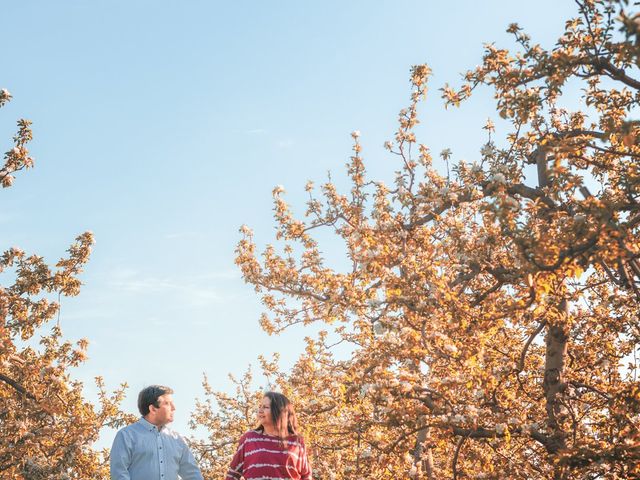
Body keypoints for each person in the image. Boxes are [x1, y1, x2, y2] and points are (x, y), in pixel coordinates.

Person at [110, 385, 203, 480]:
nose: (174, 408)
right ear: (153, 409)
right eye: (167, 403)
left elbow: (193, 475)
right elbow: (119, 473)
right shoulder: (126, 436)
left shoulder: (178, 439)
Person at [226, 391, 312, 480]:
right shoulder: (249, 439)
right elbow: (233, 473)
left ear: (279, 411)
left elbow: (306, 475)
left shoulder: (296, 442)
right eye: (260, 407)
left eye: (265, 407)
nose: (260, 410)